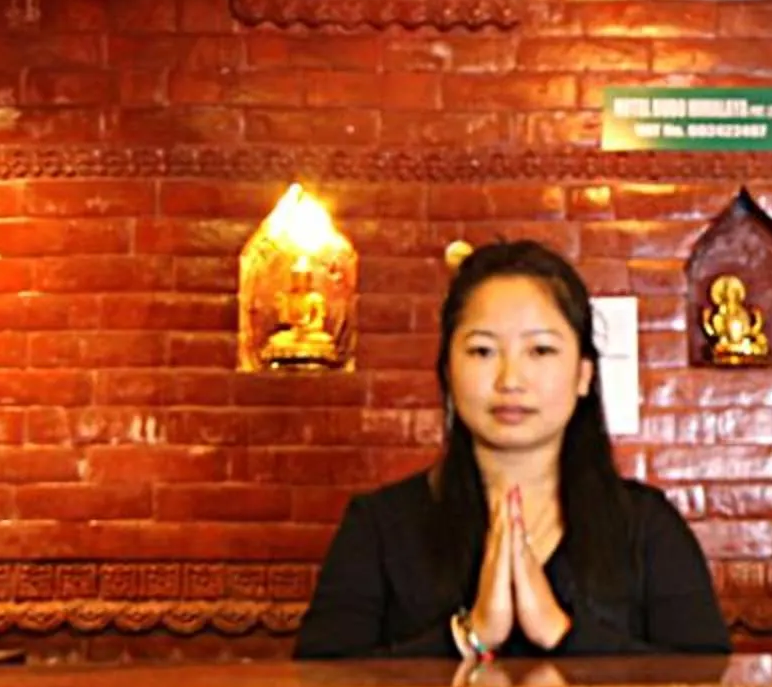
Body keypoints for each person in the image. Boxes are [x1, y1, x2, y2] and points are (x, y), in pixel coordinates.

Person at [295, 240, 731, 660]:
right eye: (483, 350)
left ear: (583, 375)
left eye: (540, 350)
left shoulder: (648, 527)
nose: (510, 379)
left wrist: (562, 633)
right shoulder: (377, 528)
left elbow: (708, 686)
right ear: (448, 370)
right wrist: (469, 637)